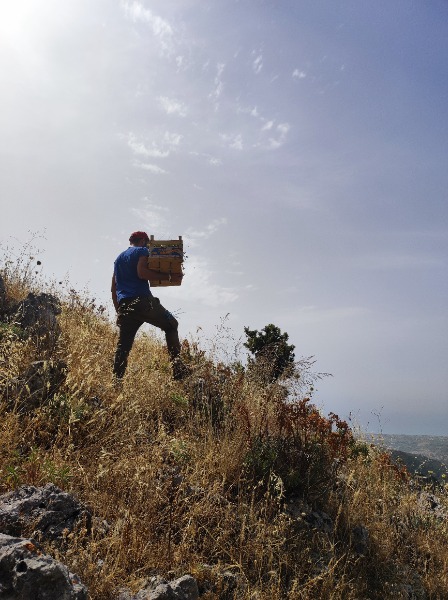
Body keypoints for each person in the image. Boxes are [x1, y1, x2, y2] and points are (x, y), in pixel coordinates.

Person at [111, 231, 188, 381]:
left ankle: (116, 382)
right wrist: (169, 277)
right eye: (147, 243)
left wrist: (118, 311)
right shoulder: (142, 251)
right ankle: (178, 370)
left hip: (125, 306)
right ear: (143, 241)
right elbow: (142, 273)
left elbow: (114, 288)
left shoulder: (118, 259)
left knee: (123, 347)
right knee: (171, 325)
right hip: (142, 301)